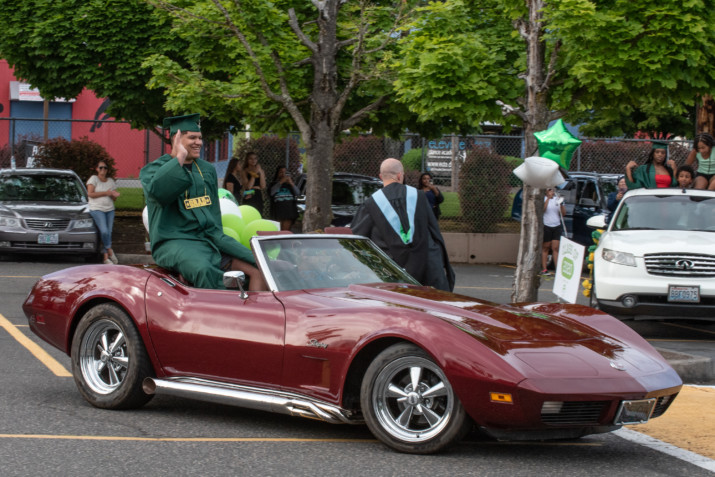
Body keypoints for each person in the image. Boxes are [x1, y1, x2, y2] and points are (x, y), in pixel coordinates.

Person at [140, 114, 264, 290]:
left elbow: (213, 214)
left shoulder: (206, 170)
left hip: (209, 238)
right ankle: (217, 313)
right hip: (174, 242)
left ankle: (255, 314)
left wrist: (222, 241)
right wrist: (179, 158)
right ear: (176, 138)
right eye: (192, 137)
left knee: (259, 264)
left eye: (200, 138)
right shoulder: (153, 170)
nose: (198, 142)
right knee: (204, 269)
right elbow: (158, 194)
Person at [351, 158, 455, 291]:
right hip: (427, 272)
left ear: (381, 177)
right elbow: (435, 233)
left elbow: (358, 238)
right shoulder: (419, 197)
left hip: (390, 274)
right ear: (400, 175)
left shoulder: (371, 204)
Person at [87, 160, 120, 265]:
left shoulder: (110, 181)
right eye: (101, 167)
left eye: (105, 168)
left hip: (109, 209)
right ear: (97, 169)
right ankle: (109, 249)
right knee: (104, 231)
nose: (103, 170)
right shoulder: (94, 179)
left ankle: (106, 258)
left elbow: (114, 199)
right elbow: (90, 194)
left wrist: (113, 195)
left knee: (108, 233)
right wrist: (106, 193)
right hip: (97, 209)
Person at [542, 188, 566, 275]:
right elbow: (543, 210)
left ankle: (557, 269)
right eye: (550, 190)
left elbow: (563, 213)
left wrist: (561, 204)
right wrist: (548, 198)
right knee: (546, 247)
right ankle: (544, 269)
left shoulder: (557, 200)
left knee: (555, 248)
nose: (552, 192)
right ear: (546, 192)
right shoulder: (544, 199)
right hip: (547, 225)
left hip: (557, 225)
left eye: (553, 190)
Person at [269, 166, 300, 231]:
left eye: (285, 172)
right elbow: (271, 193)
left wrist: (291, 183)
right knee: (278, 230)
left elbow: (298, 193)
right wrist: (280, 182)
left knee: (285, 230)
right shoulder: (273, 184)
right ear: (277, 174)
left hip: (289, 210)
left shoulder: (290, 184)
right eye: (281, 172)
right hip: (278, 210)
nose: (283, 174)